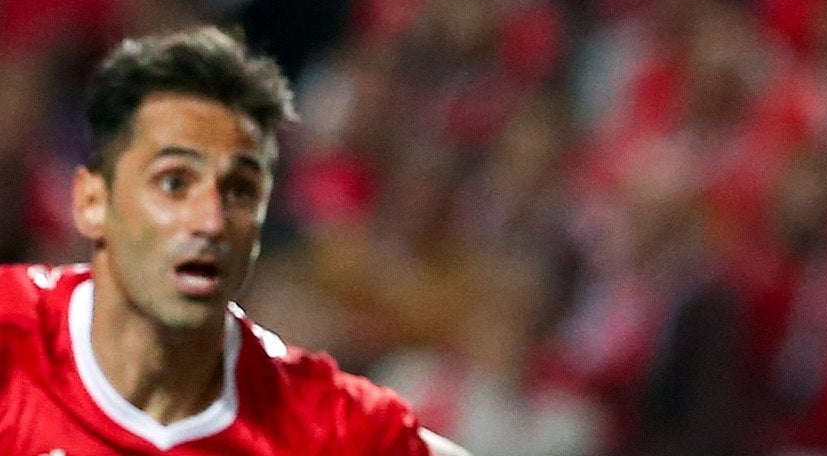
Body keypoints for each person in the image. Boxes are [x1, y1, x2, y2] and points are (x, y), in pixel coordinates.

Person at [0, 26, 473, 455]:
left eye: (240, 191)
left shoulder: (323, 426)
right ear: (92, 203)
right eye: (174, 182)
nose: (211, 220)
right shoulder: (11, 340)